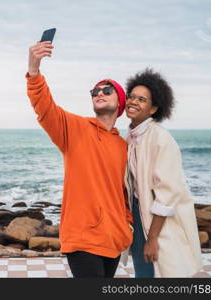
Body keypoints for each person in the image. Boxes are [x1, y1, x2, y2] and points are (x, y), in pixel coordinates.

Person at [26, 40, 133, 278]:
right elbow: (44, 107)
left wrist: (127, 224)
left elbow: (125, 192)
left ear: (120, 103)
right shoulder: (75, 128)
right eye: (95, 91)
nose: (99, 93)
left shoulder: (124, 146)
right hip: (83, 237)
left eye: (107, 90)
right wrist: (34, 71)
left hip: (115, 237)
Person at [123, 68, 202, 277]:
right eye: (131, 96)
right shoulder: (130, 137)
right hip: (139, 215)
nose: (133, 102)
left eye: (142, 99)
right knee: (144, 271)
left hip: (160, 220)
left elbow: (168, 194)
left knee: (165, 270)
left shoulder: (161, 138)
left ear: (153, 109)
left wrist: (153, 238)